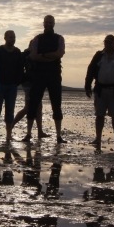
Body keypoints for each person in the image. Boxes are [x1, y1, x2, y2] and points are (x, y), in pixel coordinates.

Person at [84, 34, 114, 152]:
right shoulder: (98, 55)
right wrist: (87, 86)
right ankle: (98, 138)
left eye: (110, 42)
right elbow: (90, 70)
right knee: (99, 115)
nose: (107, 44)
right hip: (100, 90)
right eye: (106, 42)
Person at [27, 15, 67, 143]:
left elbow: (59, 54)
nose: (49, 24)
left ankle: (59, 136)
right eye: (47, 22)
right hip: (39, 75)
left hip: (54, 75)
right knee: (33, 103)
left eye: (51, 22)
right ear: (43, 23)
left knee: (57, 103)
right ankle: (28, 133)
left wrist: (42, 55)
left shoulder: (59, 38)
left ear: (54, 24)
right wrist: (49, 57)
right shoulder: (37, 39)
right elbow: (33, 56)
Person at [0, 30, 25, 141]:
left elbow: (21, 68)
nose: (12, 39)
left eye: (14, 37)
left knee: (10, 110)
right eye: (10, 37)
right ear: (5, 38)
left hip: (12, 86)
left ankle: (8, 134)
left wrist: (17, 81)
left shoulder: (17, 52)